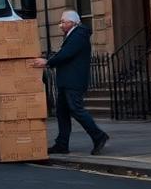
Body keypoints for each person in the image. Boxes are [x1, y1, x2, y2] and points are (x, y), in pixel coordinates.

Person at [30, 10, 110, 155]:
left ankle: (98, 136)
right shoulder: (73, 35)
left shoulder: (79, 35)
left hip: (73, 81)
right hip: (66, 81)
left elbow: (66, 54)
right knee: (62, 112)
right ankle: (62, 144)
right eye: (60, 22)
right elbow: (64, 53)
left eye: (63, 22)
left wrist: (48, 62)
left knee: (76, 109)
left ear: (73, 22)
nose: (60, 25)